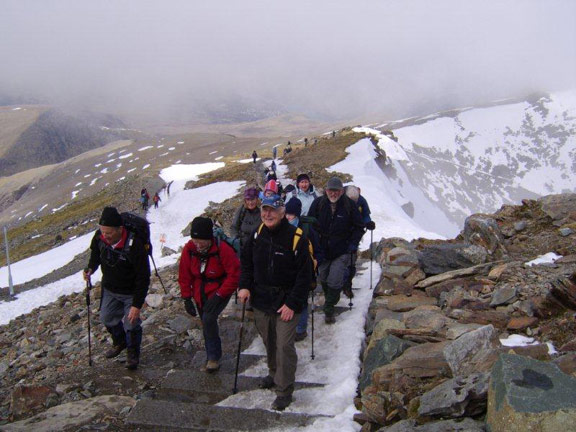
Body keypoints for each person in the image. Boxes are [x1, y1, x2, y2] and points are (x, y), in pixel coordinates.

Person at [238, 196, 312, 411]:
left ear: (282, 212)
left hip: (286, 303)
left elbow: (304, 276)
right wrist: (244, 286)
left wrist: (292, 303)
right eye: (264, 209)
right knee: (269, 341)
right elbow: (246, 263)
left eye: (272, 210)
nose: (267, 214)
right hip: (262, 301)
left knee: (284, 345)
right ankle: (273, 373)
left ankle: (284, 389)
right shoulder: (257, 234)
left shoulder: (297, 237)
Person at [83, 207, 150, 370]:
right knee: (107, 318)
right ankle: (120, 342)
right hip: (110, 289)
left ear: (120, 229)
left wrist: (136, 305)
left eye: (109, 233)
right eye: (102, 231)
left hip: (130, 292)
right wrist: (90, 268)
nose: (105, 236)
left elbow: (143, 277)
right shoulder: (99, 238)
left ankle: (133, 354)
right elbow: (95, 256)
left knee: (131, 324)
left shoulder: (135, 245)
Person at [179, 217, 240, 372]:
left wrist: (219, 295)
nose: (198, 245)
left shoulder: (223, 250)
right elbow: (184, 274)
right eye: (195, 240)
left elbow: (234, 275)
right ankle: (211, 353)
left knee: (208, 319)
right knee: (206, 321)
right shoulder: (189, 250)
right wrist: (186, 297)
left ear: (209, 238)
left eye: (201, 241)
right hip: (200, 293)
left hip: (220, 290)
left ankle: (213, 357)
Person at [308, 177, 364, 324]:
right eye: (330, 190)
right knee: (324, 278)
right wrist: (312, 243)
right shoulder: (318, 204)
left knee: (335, 280)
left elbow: (359, 227)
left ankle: (329, 307)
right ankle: (330, 299)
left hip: (342, 250)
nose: (333, 194)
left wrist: (352, 244)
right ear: (326, 191)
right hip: (322, 250)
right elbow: (309, 223)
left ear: (341, 192)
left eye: (336, 191)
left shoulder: (349, 206)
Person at [284, 198, 322, 342]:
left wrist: (317, 262)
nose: (288, 217)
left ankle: (301, 329)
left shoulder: (307, 230)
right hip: (287, 270)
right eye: (287, 213)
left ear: (297, 215)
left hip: (305, 270)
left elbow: (318, 249)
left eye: (291, 214)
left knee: (302, 300)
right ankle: (290, 325)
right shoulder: (282, 228)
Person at [230, 187, 262, 254]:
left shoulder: (262, 211)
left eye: (252, 199)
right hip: (242, 247)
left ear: (257, 199)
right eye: (248, 199)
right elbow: (234, 227)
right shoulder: (242, 210)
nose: (250, 202)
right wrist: (236, 240)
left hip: (258, 248)